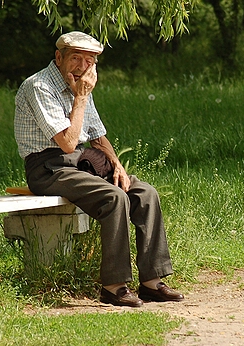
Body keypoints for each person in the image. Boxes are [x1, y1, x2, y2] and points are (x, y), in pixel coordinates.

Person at [14, 31, 184, 308]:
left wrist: (118, 166)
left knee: (145, 193)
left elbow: (97, 136)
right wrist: (80, 96)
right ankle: (113, 286)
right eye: (76, 58)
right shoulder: (39, 86)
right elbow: (68, 144)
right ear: (59, 58)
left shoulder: (81, 85)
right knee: (113, 198)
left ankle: (152, 282)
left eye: (89, 61)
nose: (82, 67)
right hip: (47, 167)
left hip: (81, 163)